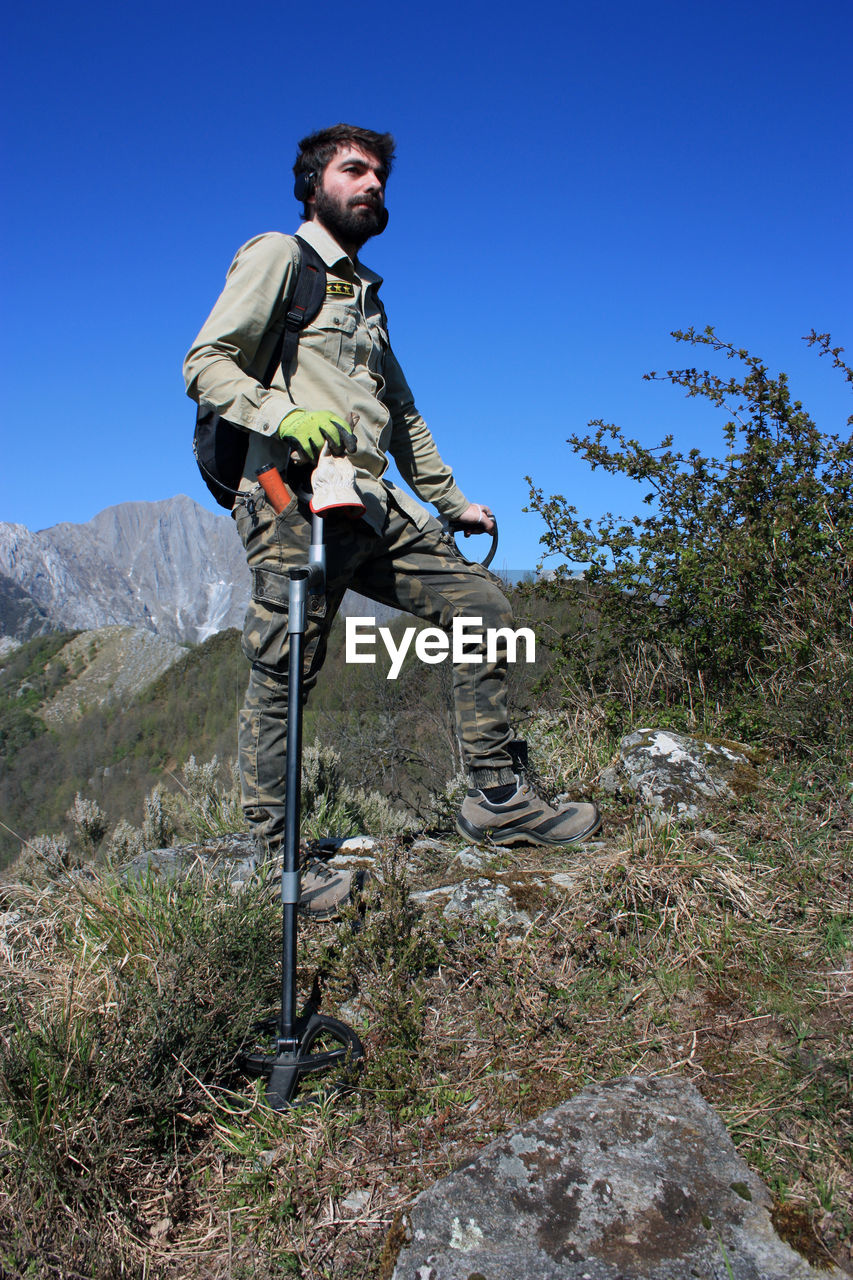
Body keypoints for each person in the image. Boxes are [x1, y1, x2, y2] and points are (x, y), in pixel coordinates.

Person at [184, 124, 600, 916]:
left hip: (370, 504)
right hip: (290, 500)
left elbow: (402, 415)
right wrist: (282, 412)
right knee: (284, 677)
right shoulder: (279, 257)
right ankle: (273, 861)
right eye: (352, 170)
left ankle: (496, 798)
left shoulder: (365, 297)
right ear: (312, 184)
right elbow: (205, 362)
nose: (371, 184)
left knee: (482, 607)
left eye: (378, 173)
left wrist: (450, 501)